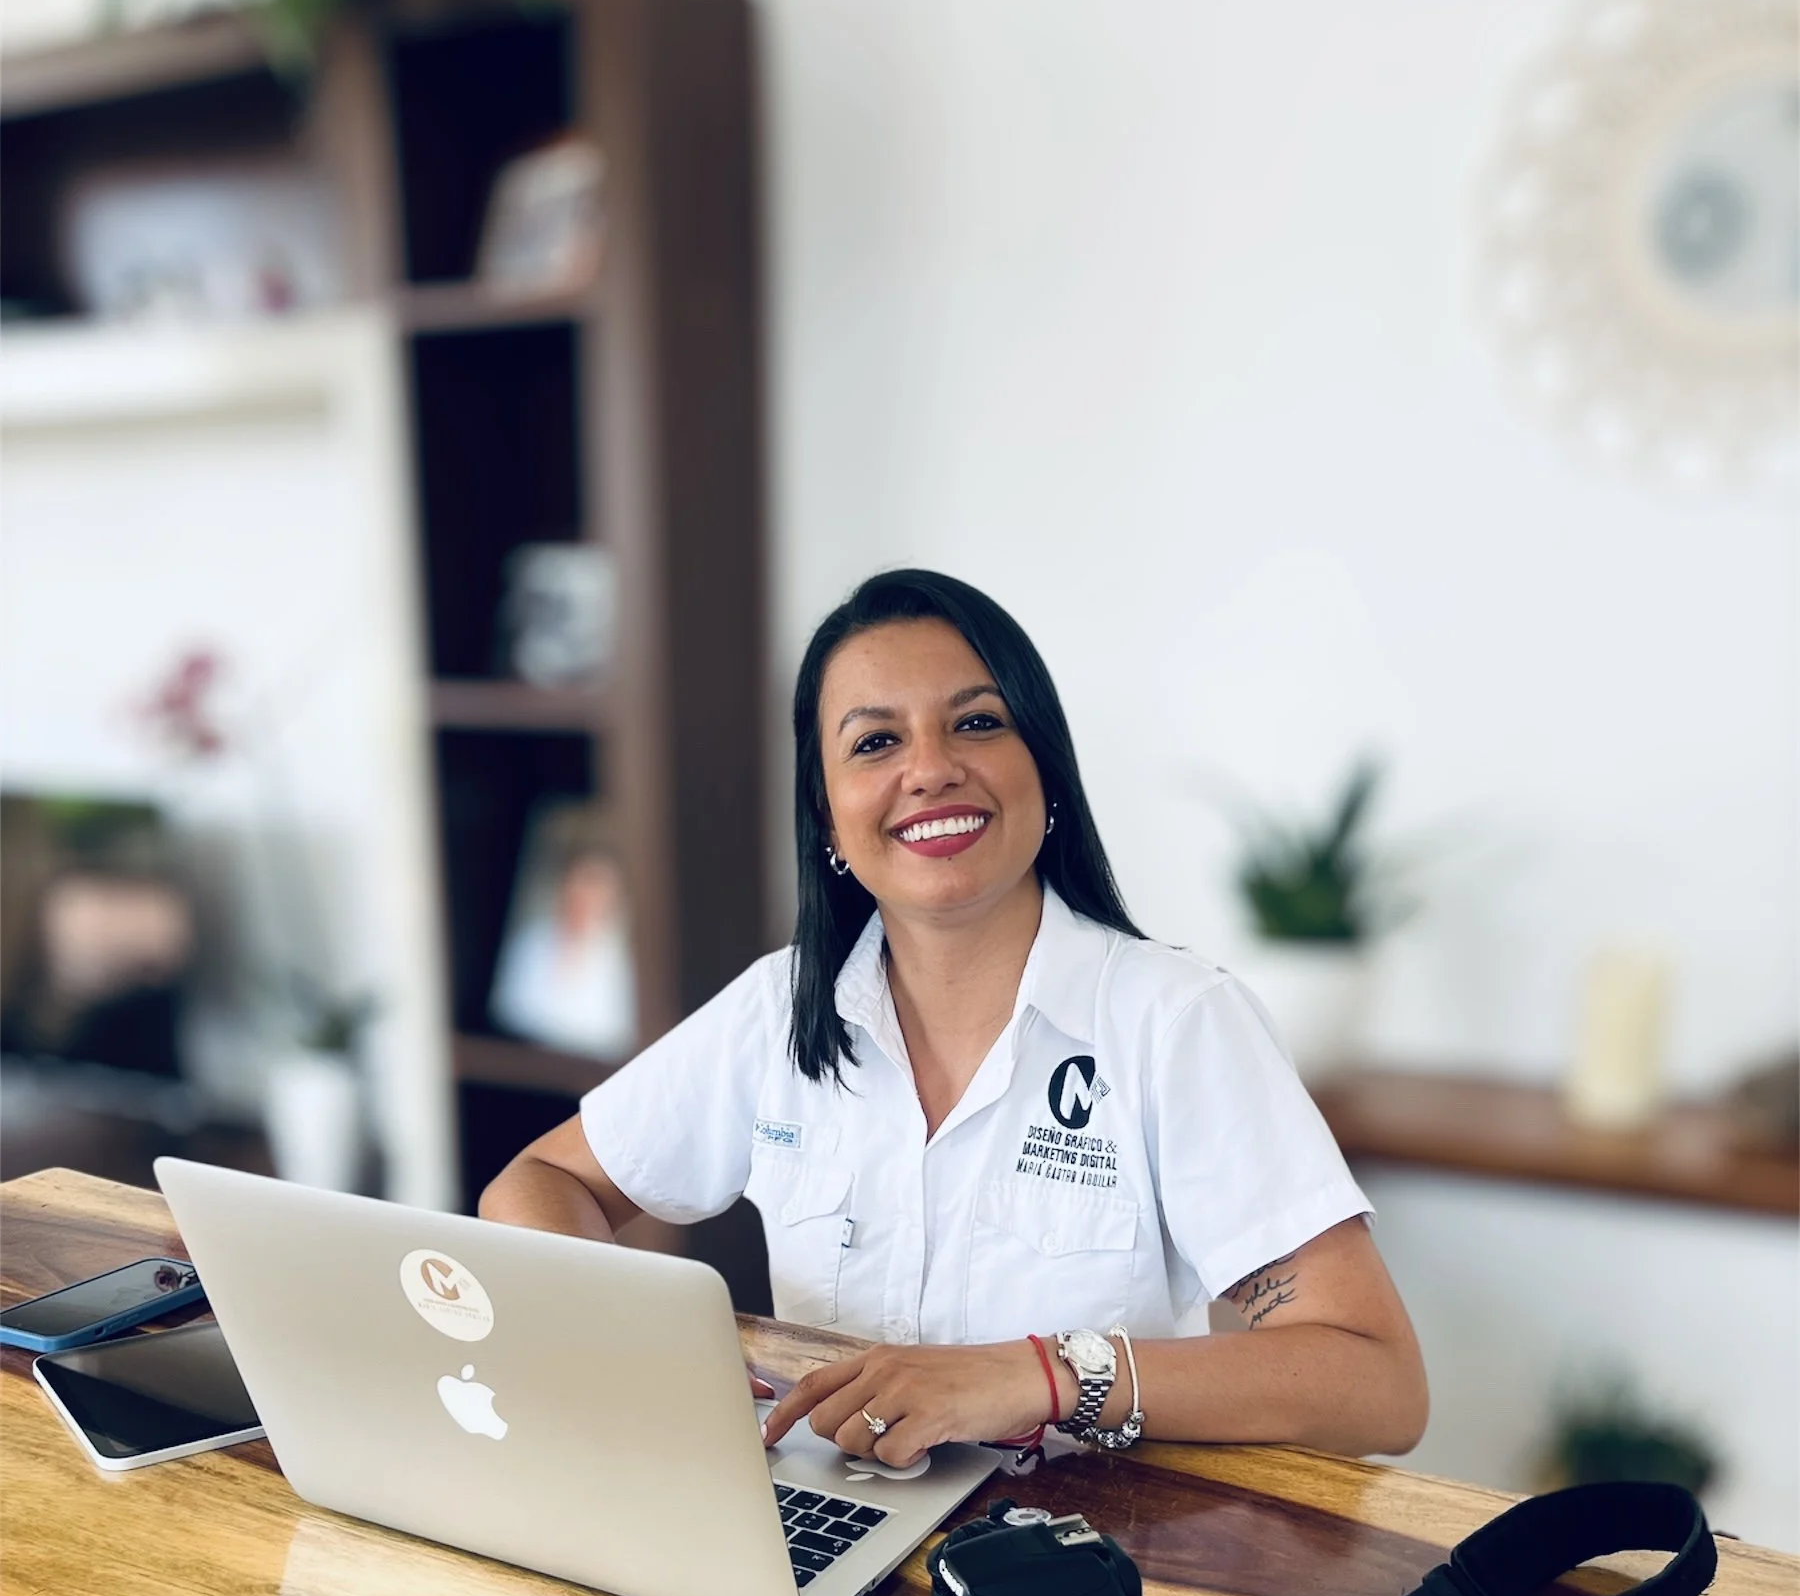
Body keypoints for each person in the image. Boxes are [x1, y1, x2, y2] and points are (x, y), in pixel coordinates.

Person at [480, 568, 1427, 1466]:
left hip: (1084, 1562)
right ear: (827, 812)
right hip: (822, 1515)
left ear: (1043, 768)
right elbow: (536, 1183)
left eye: (976, 723)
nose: (930, 771)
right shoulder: (781, 1007)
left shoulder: (1176, 1023)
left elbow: (1376, 1383)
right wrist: (651, 1348)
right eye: (875, 742)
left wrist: (1041, 1375)